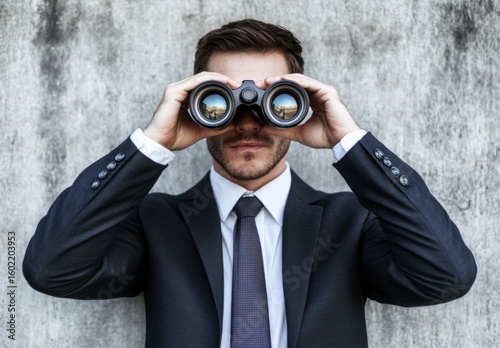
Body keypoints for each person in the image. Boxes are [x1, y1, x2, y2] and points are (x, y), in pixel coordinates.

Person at [23, 19, 477, 347]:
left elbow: (446, 277)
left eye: (273, 101)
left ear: (302, 104)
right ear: (194, 103)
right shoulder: (156, 222)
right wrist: (151, 144)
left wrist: (349, 142)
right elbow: (51, 270)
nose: (248, 122)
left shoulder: (350, 224)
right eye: (221, 101)